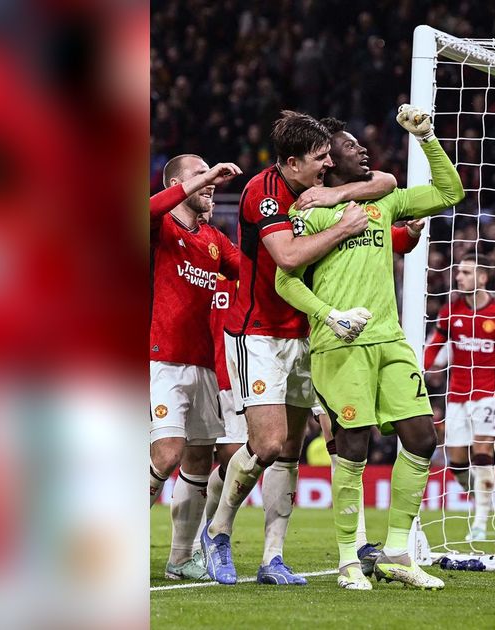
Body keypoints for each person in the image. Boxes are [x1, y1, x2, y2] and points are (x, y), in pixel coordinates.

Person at [203, 110, 404, 586]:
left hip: (310, 333)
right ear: (291, 164)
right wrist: (343, 227)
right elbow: (288, 258)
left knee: (291, 449)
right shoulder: (263, 191)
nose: (327, 163)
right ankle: (217, 532)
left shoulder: (323, 185)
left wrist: (337, 193)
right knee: (268, 444)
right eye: (319, 159)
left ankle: (273, 557)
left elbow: (389, 181)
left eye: (330, 157)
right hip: (260, 332)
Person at [275, 104, 463, 590]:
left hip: (389, 338)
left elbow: (450, 191)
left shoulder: (384, 204)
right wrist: (329, 316)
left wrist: (427, 138)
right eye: (350, 146)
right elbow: (285, 280)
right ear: (328, 161)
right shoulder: (312, 213)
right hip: (340, 343)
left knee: (422, 438)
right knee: (352, 448)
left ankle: (398, 551)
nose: (362, 149)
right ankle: (347, 560)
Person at [148, 156, 242, 581]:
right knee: (166, 454)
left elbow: (250, 270)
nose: (211, 186)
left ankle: (181, 558)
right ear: (176, 183)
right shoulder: (161, 228)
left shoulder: (213, 239)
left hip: (202, 363)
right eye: (200, 177)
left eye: (211, 180)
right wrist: (205, 177)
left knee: (199, 459)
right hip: (159, 358)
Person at [423, 256, 495, 542]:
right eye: (458, 272)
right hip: (457, 394)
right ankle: (484, 499)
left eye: (466, 272)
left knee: (482, 452)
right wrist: (421, 369)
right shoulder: (450, 311)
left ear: (482, 278)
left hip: (491, 393)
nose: (459, 277)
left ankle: (480, 523)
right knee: (456, 462)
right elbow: (435, 344)